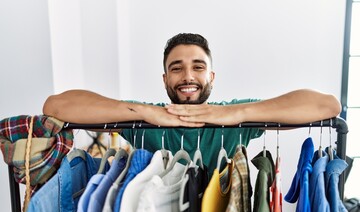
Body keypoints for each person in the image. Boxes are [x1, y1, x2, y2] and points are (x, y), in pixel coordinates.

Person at [43, 33, 341, 173]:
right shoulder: (144, 120)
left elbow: (327, 106)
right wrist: (146, 113)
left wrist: (235, 114)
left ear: (211, 76)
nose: (188, 77)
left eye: (198, 67)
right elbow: (57, 107)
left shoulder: (236, 116)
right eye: (177, 68)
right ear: (165, 79)